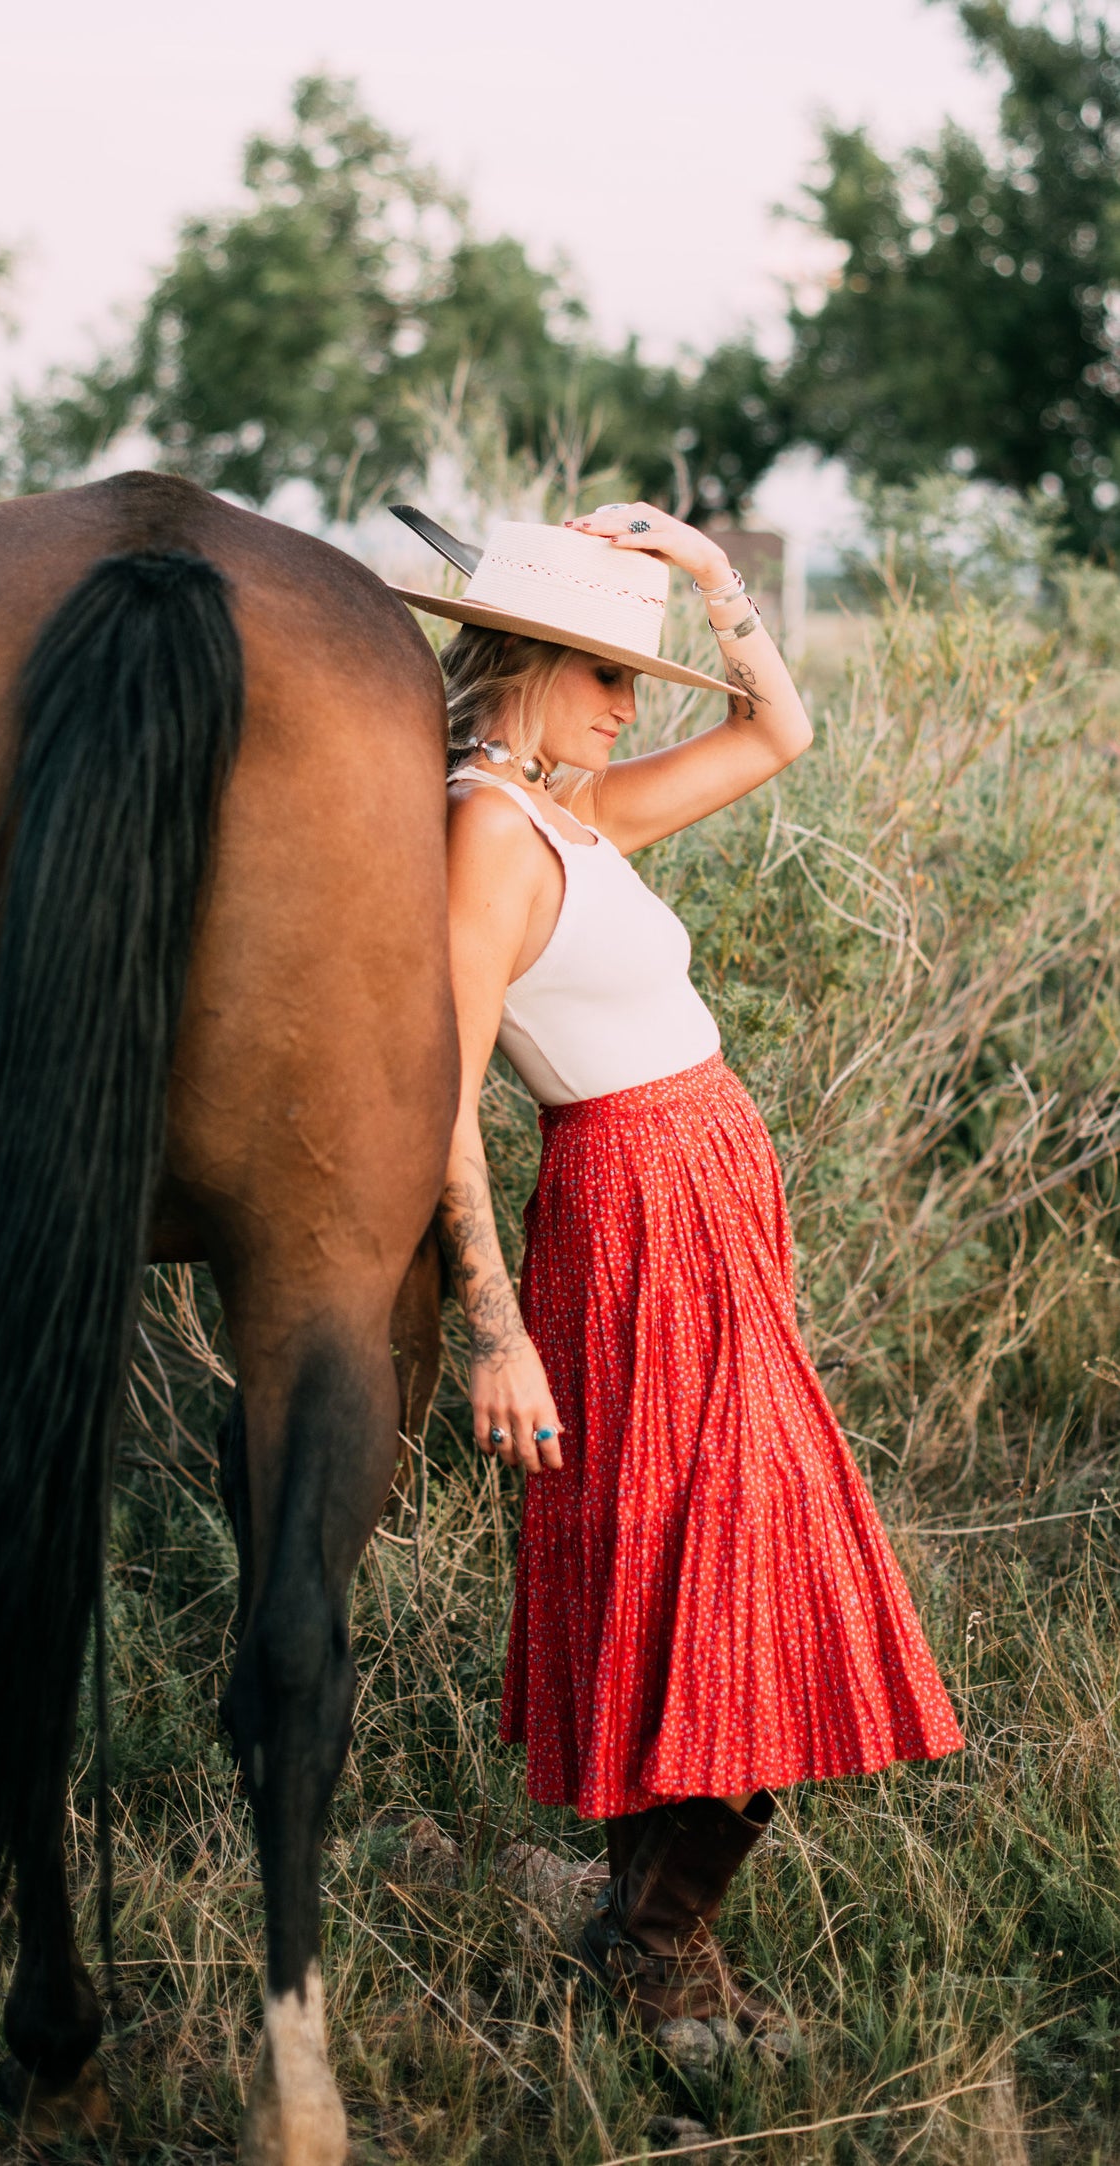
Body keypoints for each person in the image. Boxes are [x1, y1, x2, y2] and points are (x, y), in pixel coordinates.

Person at [391, 500, 963, 2049]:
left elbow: (775, 729)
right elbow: (441, 1087)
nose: (630, 704)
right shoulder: (489, 834)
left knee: (693, 1569)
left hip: (708, 1224)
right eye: (605, 673)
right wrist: (495, 1332)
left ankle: (634, 1914)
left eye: (639, 675)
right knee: (746, 1574)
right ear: (518, 659)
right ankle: (653, 1953)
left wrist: (711, 575)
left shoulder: (569, 807)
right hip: (630, 1227)